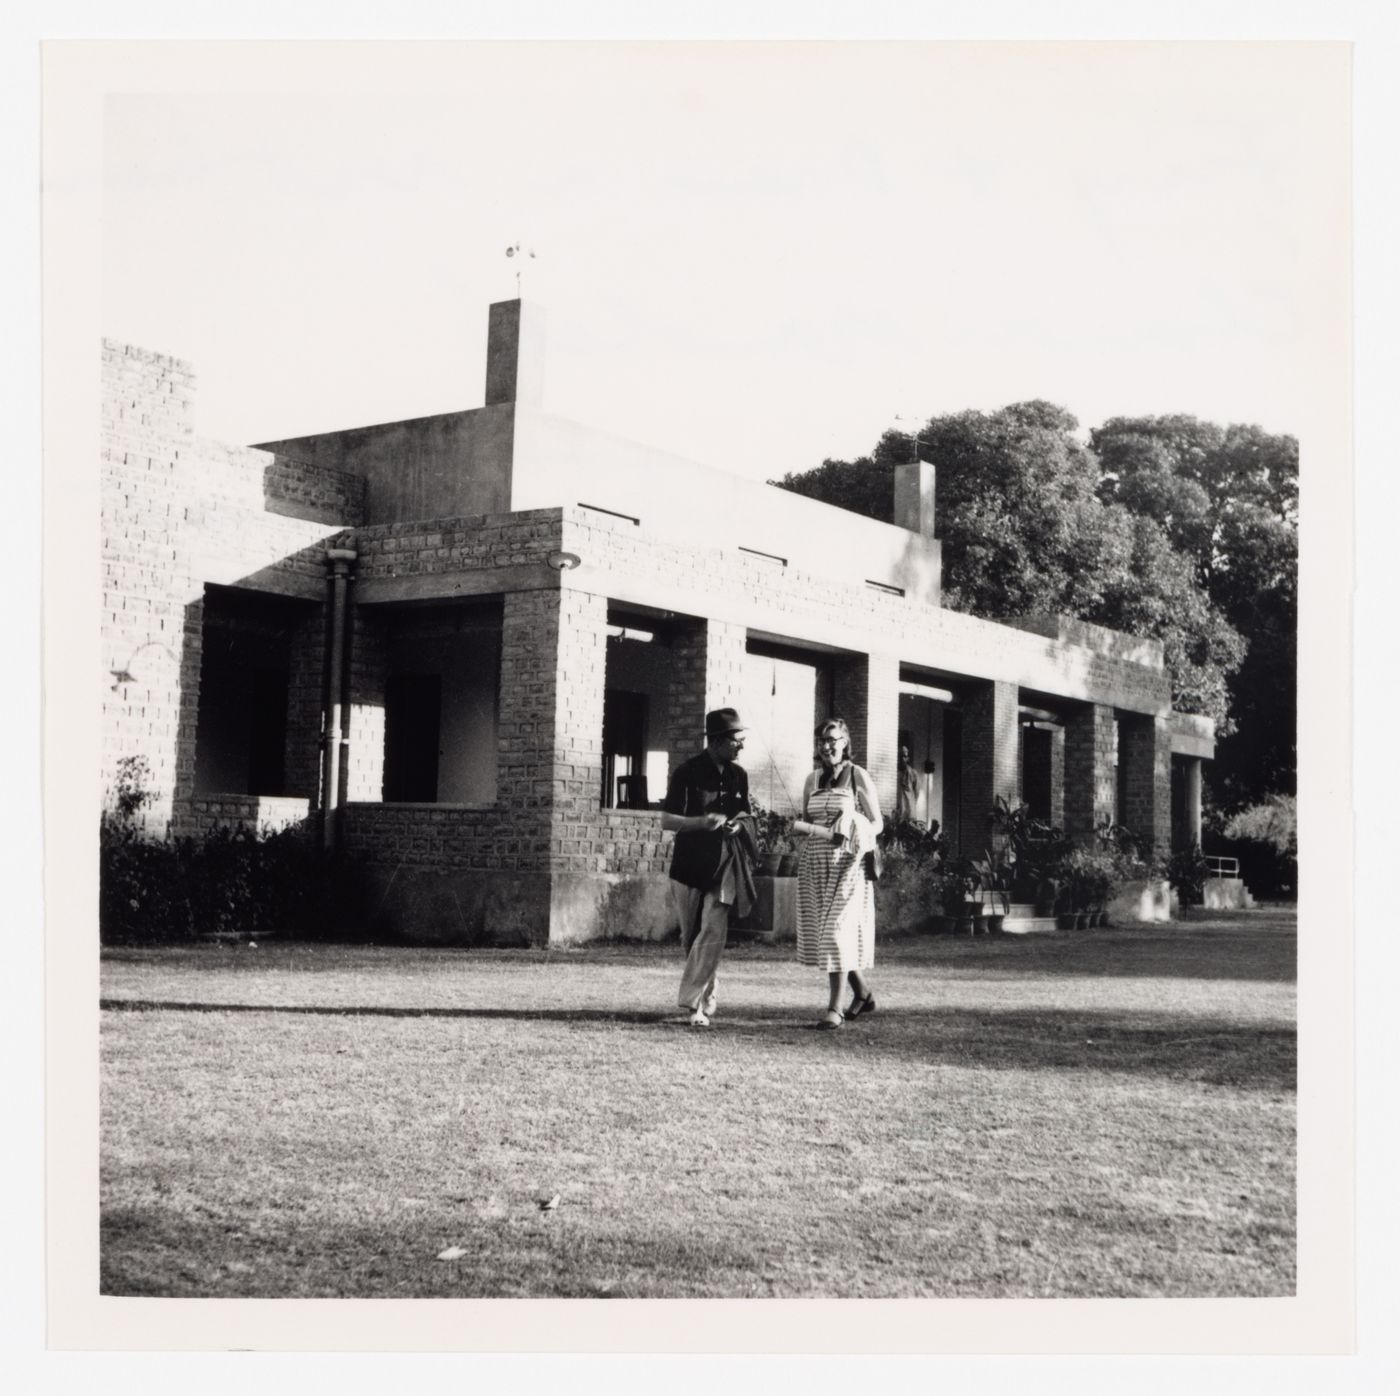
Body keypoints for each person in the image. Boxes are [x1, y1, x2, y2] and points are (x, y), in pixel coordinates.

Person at [661, 707, 753, 1027]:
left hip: (724, 865)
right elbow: (667, 820)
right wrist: (701, 822)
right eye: (736, 740)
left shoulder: (739, 775)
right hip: (688, 867)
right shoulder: (686, 772)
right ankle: (708, 990)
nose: (741, 746)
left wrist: (738, 828)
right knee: (691, 938)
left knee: (713, 931)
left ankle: (693, 1006)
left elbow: (746, 816)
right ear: (716, 740)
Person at [795, 717, 883, 1029]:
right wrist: (801, 829)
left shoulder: (857, 776)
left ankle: (835, 1009)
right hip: (817, 867)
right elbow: (808, 821)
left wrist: (853, 826)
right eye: (822, 741)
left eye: (833, 739)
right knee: (830, 936)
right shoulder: (812, 779)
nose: (827, 745)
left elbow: (877, 823)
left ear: (845, 742)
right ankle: (863, 994)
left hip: (849, 867)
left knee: (835, 933)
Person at [895, 742, 920, 823]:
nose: (902, 759)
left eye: (905, 756)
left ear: (908, 758)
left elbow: (916, 793)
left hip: (909, 811)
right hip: (897, 812)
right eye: (900, 756)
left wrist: (910, 804)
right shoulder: (894, 774)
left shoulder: (913, 773)